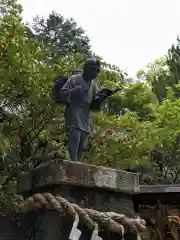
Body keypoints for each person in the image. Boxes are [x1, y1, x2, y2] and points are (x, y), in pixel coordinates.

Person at [60, 58, 100, 162]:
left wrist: (100, 99)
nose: (96, 73)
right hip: (74, 113)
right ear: (86, 69)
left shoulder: (94, 85)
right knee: (75, 139)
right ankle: (73, 161)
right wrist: (73, 91)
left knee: (83, 143)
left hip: (85, 117)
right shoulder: (74, 79)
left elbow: (94, 107)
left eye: (97, 70)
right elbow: (63, 93)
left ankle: (77, 162)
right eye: (94, 70)